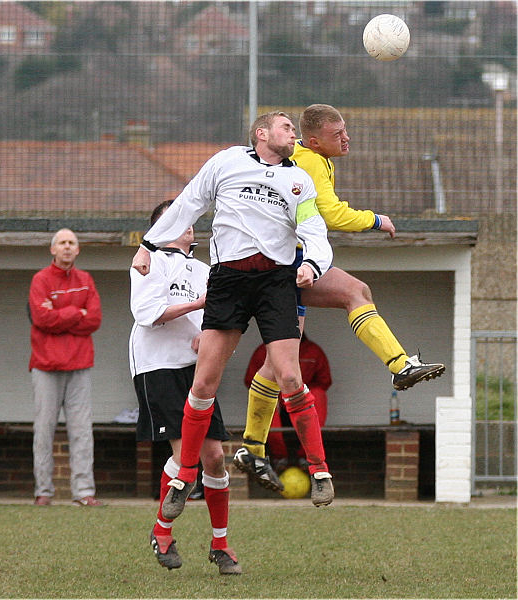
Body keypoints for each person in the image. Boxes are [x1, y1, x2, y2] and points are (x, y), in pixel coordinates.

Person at [131, 110, 335, 517]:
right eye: (286, 127)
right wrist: (148, 245)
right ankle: (183, 475)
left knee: (290, 375)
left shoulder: (299, 180)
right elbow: (188, 203)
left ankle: (320, 470)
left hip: (277, 281)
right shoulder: (227, 161)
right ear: (261, 133)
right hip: (228, 281)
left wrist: (313, 263)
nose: (293, 133)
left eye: (294, 129)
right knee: (204, 382)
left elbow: (315, 231)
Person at [243, 105, 445, 486]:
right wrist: (375, 219)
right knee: (351, 296)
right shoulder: (310, 162)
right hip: (287, 265)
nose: (347, 138)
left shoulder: (306, 158)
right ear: (315, 139)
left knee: (281, 361)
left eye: (345, 131)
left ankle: (251, 447)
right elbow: (332, 214)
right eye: (338, 134)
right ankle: (399, 366)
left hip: (289, 263)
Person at [130, 200, 241, 575]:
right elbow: (147, 314)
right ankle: (162, 531)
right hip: (157, 365)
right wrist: (197, 304)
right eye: (175, 221)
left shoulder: (204, 270)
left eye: (190, 222)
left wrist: (206, 332)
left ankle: (221, 544)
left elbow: (219, 314)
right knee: (186, 457)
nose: (186, 227)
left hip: (197, 369)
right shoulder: (148, 261)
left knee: (215, 458)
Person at [28, 228, 103, 507]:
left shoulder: (86, 280)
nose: (67, 247)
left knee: (82, 430)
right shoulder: (40, 279)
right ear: (53, 249)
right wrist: (76, 312)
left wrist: (60, 312)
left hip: (80, 364)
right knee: (44, 430)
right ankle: (43, 492)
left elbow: (94, 319)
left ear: (78, 249)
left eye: (72, 243)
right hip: (45, 366)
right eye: (62, 243)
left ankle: (84, 491)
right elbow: (41, 318)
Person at [244, 333, 332, 472]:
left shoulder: (313, 351)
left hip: (303, 398)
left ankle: (310, 457)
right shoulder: (264, 351)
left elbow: (324, 380)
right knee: (265, 399)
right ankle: (279, 457)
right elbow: (251, 380)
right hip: (277, 398)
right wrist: (277, 394)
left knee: (319, 395)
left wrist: (302, 393)